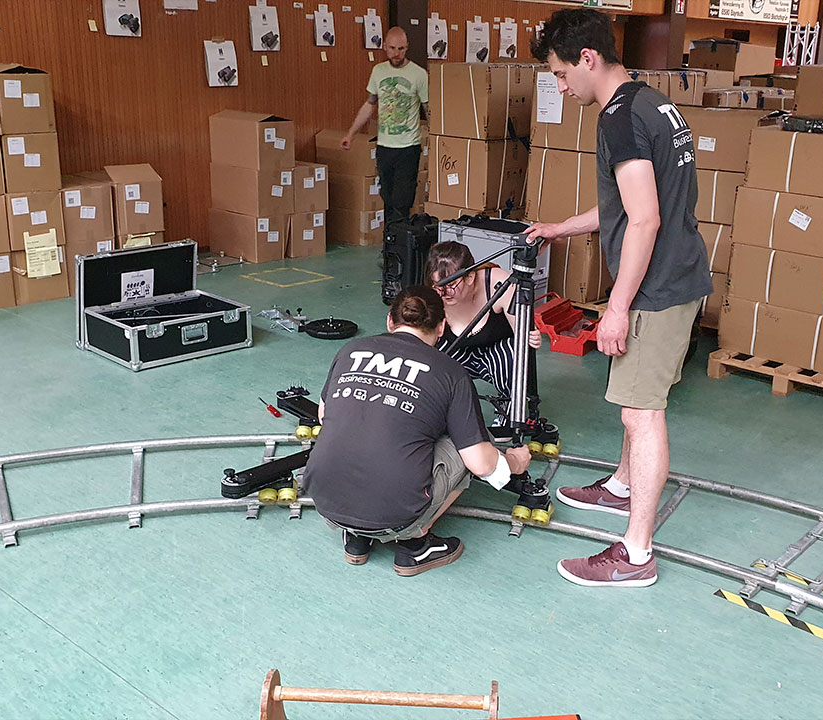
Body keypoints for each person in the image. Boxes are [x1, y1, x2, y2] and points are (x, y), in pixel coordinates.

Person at [527, 8, 712, 587]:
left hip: (656, 289)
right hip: (680, 274)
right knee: (639, 400)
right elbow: (627, 203)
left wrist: (615, 306)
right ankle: (621, 487)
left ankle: (635, 554)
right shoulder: (653, 103)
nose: (561, 87)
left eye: (560, 74)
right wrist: (561, 227)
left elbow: (645, 219)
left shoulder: (617, 120)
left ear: (587, 59)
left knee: (641, 411)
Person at [304, 285, 533, 577]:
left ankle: (357, 537)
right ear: (441, 328)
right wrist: (513, 462)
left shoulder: (350, 350)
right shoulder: (451, 372)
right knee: (473, 441)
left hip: (327, 505)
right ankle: (416, 543)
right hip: (396, 515)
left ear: (390, 321)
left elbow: (324, 414)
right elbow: (481, 464)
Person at [425, 241, 545, 439]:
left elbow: (523, 332)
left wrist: (531, 337)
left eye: (451, 285)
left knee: (515, 349)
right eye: (438, 286)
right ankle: (442, 413)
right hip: (456, 354)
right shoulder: (434, 295)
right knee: (432, 357)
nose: (444, 294)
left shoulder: (498, 283)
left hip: (496, 353)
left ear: (470, 276)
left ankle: (509, 411)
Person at [340, 26, 428, 225]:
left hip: (408, 147)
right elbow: (369, 104)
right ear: (384, 48)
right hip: (385, 147)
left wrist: (440, 139)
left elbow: (428, 107)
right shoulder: (378, 71)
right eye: (393, 48)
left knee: (402, 200)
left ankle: (400, 246)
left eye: (402, 49)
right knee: (387, 198)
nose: (397, 54)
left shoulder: (419, 74)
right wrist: (351, 134)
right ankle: (390, 246)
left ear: (407, 48)